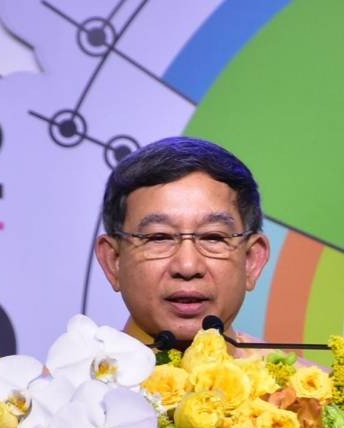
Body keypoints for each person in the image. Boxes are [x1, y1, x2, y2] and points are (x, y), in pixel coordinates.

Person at [93, 137, 272, 346]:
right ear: (113, 261)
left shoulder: (290, 369)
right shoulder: (70, 369)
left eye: (213, 237)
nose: (187, 266)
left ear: (251, 261)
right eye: (159, 237)